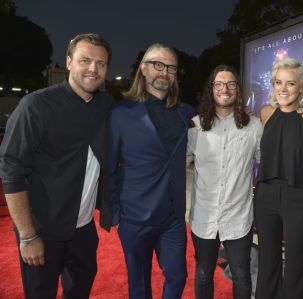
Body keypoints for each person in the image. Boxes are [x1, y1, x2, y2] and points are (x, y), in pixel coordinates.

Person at [0, 33, 113, 298]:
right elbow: (12, 171)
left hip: (84, 231)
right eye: (85, 60)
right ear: (69, 62)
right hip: (42, 232)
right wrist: (28, 236)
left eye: (101, 63)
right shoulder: (35, 105)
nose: (93, 69)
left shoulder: (106, 105)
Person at [108, 43, 195, 299]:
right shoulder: (120, 112)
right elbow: (109, 166)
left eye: (171, 67)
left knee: (178, 277)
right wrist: (115, 212)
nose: (164, 72)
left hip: (173, 217)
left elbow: (215, 121)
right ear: (143, 69)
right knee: (139, 285)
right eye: (158, 65)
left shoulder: (185, 113)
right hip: (135, 217)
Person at [186, 65, 263, 299]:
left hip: (238, 218)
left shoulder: (254, 126)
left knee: (241, 276)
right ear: (211, 89)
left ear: (237, 90)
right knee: (202, 275)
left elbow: (269, 164)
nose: (225, 89)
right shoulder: (196, 126)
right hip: (203, 217)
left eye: (230, 84)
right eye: (218, 84)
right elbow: (178, 163)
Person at [254, 58, 303, 299]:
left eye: (290, 83)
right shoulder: (265, 113)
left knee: (295, 265)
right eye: (277, 82)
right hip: (265, 195)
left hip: (298, 197)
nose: (282, 89)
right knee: (267, 261)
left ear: (302, 86)